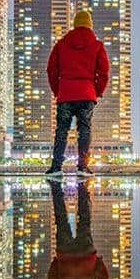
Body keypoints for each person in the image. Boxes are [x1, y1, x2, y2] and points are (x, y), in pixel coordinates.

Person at [45, 10, 110, 177]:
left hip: (65, 94)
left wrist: (57, 90)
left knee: (62, 130)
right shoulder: (97, 45)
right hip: (87, 94)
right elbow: (104, 73)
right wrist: (97, 92)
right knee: (85, 130)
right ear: (90, 25)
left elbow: (51, 70)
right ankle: (82, 167)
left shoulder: (61, 44)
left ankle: (56, 167)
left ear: (74, 24)